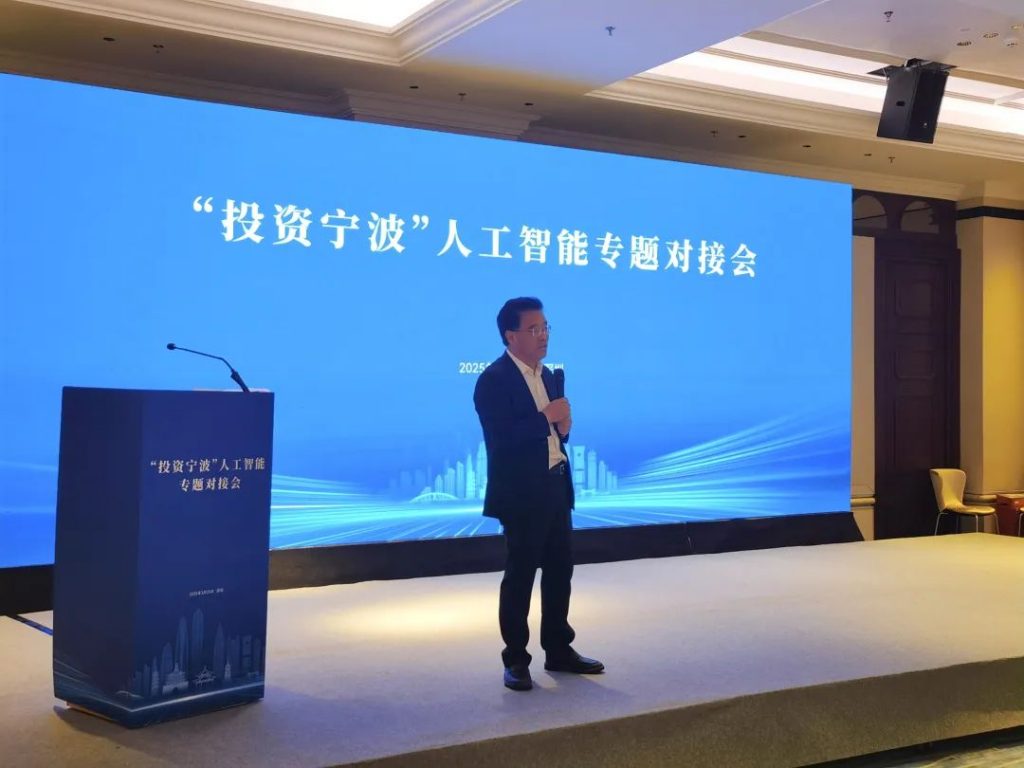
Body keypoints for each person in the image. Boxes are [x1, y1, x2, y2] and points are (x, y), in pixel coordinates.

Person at [473, 297, 604, 691]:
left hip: (555, 484)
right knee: (521, 575)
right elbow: (502, 439)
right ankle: (516, 659)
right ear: (511, 335)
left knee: (560, 571)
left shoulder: (547, 376)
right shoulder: (493, 380)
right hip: (521, 493)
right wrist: (546, 417)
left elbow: (552, 434)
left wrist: (563, 427)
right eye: (534, 329)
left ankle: (558, 649)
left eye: (546, 327)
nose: (543, 335)